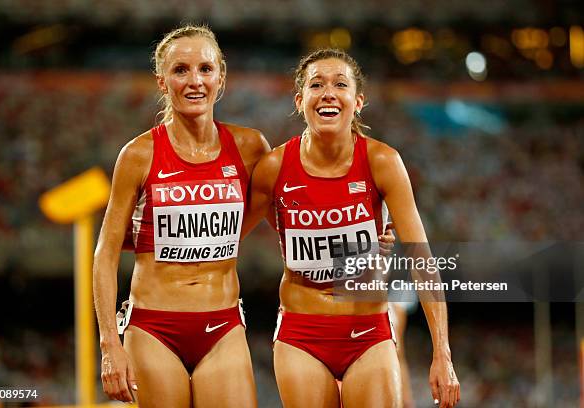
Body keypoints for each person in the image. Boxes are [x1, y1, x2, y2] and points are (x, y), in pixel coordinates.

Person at [246, 48, 460, 408]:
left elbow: (422, 259)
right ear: (300, 101)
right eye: (317, 84)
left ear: (358, 101)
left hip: (368, 333)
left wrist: (443, 354)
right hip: (302, 334)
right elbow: (228, 236)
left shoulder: (383, 161)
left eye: (340, 84)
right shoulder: (273, 167)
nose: (328, 92)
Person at [93, 24, 270, 407]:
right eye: (180, 70)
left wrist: (372, 232)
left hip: (223, 325)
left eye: (205, 69)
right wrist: (109, 344)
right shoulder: (138, 154)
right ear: (162, 82)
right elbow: (105, 253)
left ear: (221, 77)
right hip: (153, 328)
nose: (195, 81)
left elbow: (293, 214)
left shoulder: (251, 146)